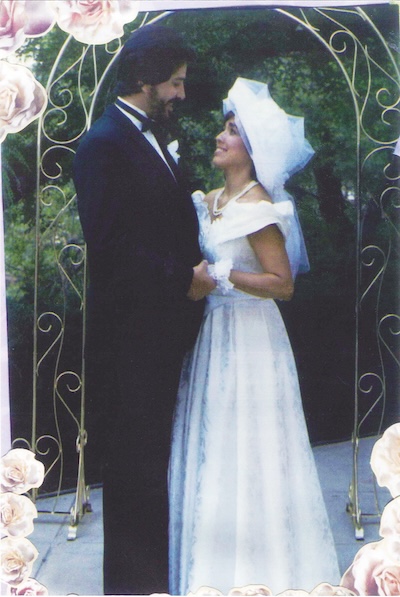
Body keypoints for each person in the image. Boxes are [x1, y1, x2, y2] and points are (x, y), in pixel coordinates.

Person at [168, 77, 341, 595]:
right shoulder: (214, 198)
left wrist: (220, 277)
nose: (220, 137)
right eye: (224, 129)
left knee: (252, 451)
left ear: (253, 150)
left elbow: (282, 285)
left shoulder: (259, 206)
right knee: (214, 446)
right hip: (213, 337)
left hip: (251, 340)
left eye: (231, 131)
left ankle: (260, 576)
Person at [73, 24, 215, 595]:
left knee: (153, 462)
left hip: (159, 332)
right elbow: (108, 247)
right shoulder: (103, 143)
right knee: (133, 467)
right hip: (132, 335)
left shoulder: (147, 136)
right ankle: (131, 588)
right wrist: (183, 278)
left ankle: (154, 580)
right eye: (175, 83)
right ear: (143, 79)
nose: (181, 94)